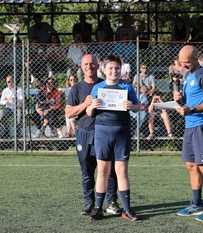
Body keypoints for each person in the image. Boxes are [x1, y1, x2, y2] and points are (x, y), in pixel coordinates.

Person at [86, 54, 140, 221]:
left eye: (117, 68)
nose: (114, 71)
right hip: (102, 132)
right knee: (102, 170)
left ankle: (126, 209)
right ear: (104, 70)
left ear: (121, 70)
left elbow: (138, 107)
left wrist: (132, 106)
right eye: (110, 68)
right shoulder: (97, 88)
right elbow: (88, 112)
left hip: (122, 133)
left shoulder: (127, 88)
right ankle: (98, 208)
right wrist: (92, 106)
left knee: (122, 171)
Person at [65, 54, 121, 217]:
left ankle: (111, 202)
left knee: (110, 171)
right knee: (87, 171)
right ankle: (89, 202)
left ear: (98, 66)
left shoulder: (106, 85)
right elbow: (68, 113)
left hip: (103, 133)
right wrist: (85, 104)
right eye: (86, 64)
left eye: (92, 64)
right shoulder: (76, 88)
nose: (89, 67)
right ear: (82, 67)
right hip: (83, 133)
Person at [174, 45, 203, 221]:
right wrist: (180, 100)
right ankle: (196, 204)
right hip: (190, 126)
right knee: (191, 165)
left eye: (186, 62)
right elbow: (190, 101)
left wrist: (191, 109)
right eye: (182, 62)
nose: (184, 65)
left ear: (196, 58)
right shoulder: (188, 75)